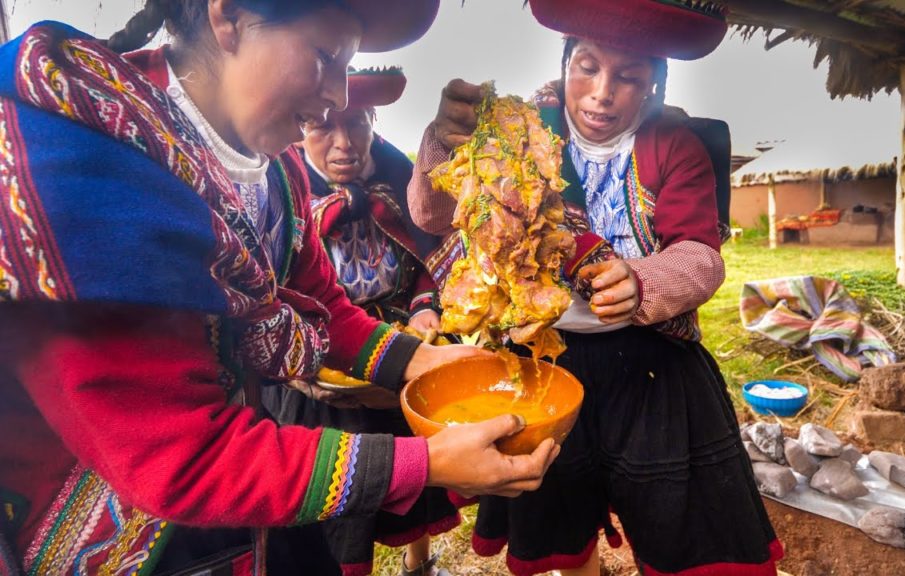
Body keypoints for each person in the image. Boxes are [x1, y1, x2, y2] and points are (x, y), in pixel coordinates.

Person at [0, 2, 560, 575]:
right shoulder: (88, 169)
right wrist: (427, 460)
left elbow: (326, 309)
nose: (340, 97)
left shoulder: (274, 172)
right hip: (118, 529)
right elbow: (183, 459)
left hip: (245, 486)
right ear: (230, 19)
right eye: (325, 58)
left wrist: (428, 361)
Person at [407, 0, 781, 574]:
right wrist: (443, 137)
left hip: (653, 365)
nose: (602, 91)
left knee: (679, 520)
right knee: (560, 507)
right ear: (563, 67)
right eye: (586, 66)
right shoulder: (519, 131)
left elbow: (700, 255)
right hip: (544, 362)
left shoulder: (676, 145)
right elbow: (433, 215)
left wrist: (642, 279)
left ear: (654, 86)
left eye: (628, 77)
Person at [262, 67, 456, 576]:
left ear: (375, 121)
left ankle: (421, 564)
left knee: (419, 467)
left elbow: (425, 263)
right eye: (323, 126)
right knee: (342, 497)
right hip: (320, 363)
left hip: (397, 341)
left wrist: (425, 309)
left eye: (359, 124)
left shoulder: (398, 179)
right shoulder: (277, 189)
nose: (344, 143)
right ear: (300, 124)